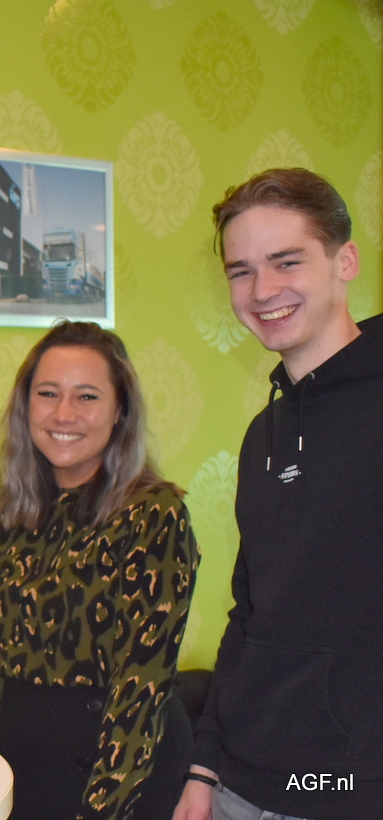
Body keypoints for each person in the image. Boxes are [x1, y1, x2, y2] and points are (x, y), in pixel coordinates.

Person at [173, 168, 381, 820]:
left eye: (286, 261)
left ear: (345, 261)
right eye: (241, 271)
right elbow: (252, 610)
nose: (262, 291)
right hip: (239, 785)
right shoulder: (264, 433)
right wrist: (204, 765)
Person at [0, 320, 199, 820]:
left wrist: (102, 809)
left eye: (87, 396)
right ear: (26, 406)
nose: (64, 413)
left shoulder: (153, 514)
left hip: (117, 770)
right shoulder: (6, 514)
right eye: (48, 393)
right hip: (19, 765)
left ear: (119, 410)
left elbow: (142, 685)